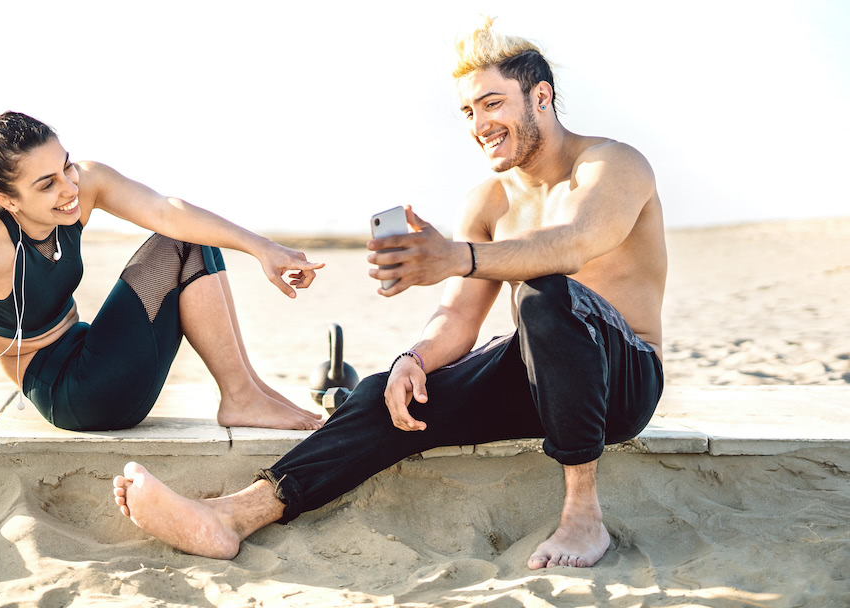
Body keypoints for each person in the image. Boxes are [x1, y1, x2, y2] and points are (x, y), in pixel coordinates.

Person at [111, 16, 666, 570]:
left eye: (493, 103)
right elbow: (459, 317)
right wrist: (414, 359)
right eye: (469, 112)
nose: (479, 124)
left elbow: (569, 247)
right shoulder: (487, 203)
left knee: (543, 295)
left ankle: (582, 517)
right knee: (387, 394)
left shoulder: (611, 165)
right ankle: (233, 515)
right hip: (538, 377)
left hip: (624, 378)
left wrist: (456, 257)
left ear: (540, 97)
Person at [0, 111, 325, 462]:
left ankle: (250, 390)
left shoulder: (84, 187)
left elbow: (165, 210)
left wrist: (263, 248)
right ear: (6, 200)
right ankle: (241, 396)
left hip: (90, 353)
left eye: (66, 166)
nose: (69, 187)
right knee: (180, 248)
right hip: (69, 393)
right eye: (46, 184)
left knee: (186, 236)